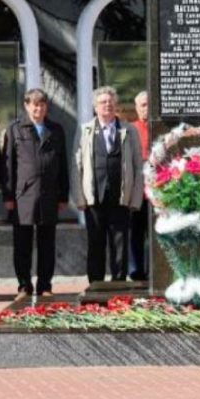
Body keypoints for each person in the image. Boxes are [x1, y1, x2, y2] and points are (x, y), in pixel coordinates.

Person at [3, 89, 69, 298]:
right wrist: (8, 196)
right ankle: (24, 285)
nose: (38, 108)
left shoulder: (56, 129)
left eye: (41, 105)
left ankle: (45, 285)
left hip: (49, 195)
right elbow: (8, 164)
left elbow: (63, 164)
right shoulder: (15, 129)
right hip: (23, 195)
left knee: (47, 243)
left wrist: (63, 195)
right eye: (34, 104)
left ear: (46, 107)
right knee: (22, 243)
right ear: (26, 105)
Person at [74, 86, 143, 284]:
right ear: (95, 107)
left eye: (111, 102)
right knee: (95, 243)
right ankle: (95, 284)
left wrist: (135, 198)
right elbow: (76, 165)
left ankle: (119, 285)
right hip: (93, 197)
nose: (107, 105)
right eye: (103, 102)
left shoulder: (128, 130)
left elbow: (138, 166)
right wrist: (80, 197)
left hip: (120, 196)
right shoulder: (84, 130)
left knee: (120, 244)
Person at [128, 90, 150, 282]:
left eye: (150, 104)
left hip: (158, 194)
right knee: (135, 234)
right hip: (136, 193)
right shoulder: (130, 129)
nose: (146, 108)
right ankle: (136, 271)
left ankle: (154, 271)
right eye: (143, 105)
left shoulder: (161, 129)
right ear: (136, 108)